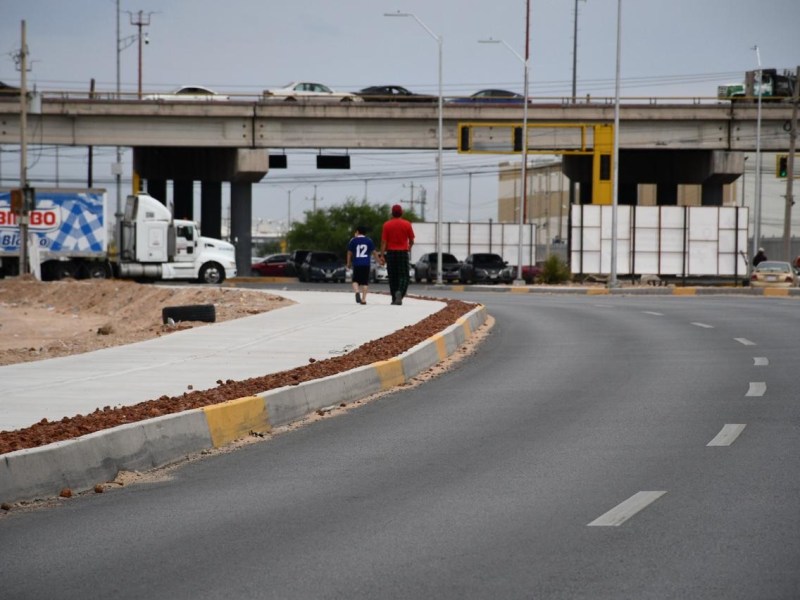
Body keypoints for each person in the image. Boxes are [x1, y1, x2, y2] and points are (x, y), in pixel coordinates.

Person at [380, 204, 415, 305]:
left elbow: (384, 242)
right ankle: (400, 292)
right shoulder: (407, 224)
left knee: (392, 276)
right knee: (404, 276)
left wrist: (382, 256)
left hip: (391, 253)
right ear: (401, 213)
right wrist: (409, 247)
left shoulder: (386, 225)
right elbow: (412, 240)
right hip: (402, 252)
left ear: (392, 213)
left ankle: (393, 298)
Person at [346, 225, 379, 305]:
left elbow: (349, 253)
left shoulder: (353, 240)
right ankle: (363, 299)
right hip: (366, 264)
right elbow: (374, 252)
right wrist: (378, 261)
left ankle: (357, 292)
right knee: (365, 282)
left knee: (355, 280)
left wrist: (348, 263)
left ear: (357, 232)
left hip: (357, 263)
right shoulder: (369, 240)